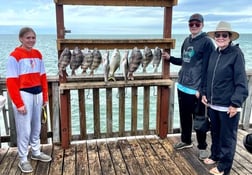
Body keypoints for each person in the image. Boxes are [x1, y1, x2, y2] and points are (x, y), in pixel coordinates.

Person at [162, 13, 215, 160]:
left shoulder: (207, 43)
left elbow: (208, 69)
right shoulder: (186, 41)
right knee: (185, 117)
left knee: (200, 120)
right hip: (183, 86)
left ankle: (203, 146)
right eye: (191, 24)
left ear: (202, 25)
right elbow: (185, 61)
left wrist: (202, 90)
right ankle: (186, 140)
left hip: (197, 90)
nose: (194, 26)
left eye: (197, 24)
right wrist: (169, 58)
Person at [202, 21, 248, 175]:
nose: (221, 37)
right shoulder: (214, 53)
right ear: (215, 37)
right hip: (213, 105)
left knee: (227, 138)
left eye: (224, 35)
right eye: (218, 35)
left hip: (229, 106)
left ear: (230, 37)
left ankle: (224, 167)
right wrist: (204, 93)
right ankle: (215, 155)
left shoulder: (236, 54)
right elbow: (208, 77)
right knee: (215, 133)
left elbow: (241, 82)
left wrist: (235, 103)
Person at [6, 27, 52, 173]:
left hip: (37, 94)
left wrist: (44, 96)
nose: (31, 40)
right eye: (28, 38)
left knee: (37, 126)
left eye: (33, 37)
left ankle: (36, 152)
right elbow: (11, 81)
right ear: (21, 39)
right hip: (23, 94)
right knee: (24, 129)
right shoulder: (14, 56)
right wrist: (19, 103)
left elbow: (43, 77)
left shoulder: (38, 54)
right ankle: (23, 159)